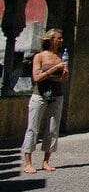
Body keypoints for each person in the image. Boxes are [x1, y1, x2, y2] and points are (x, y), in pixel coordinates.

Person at [21, 28, 68, 174]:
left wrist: (64, 74)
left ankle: (46, 161)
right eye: (58, 38)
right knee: (33, 128)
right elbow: (36, 77)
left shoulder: (60, 56)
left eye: (61, 38)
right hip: (40, 94)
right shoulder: (39, 56)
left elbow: (61, 80)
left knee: (53, 129)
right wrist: (53, 69)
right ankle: (28, 162)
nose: (61, 40)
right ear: (51, 40)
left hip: (56, 94)